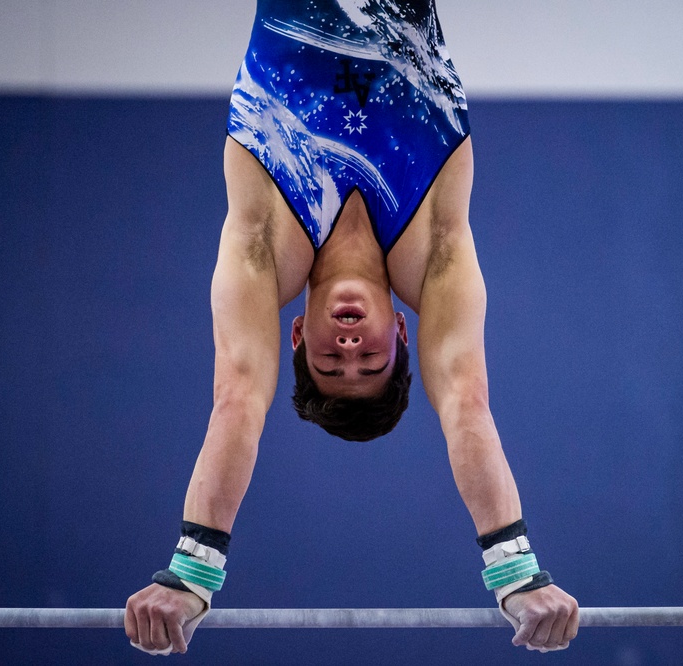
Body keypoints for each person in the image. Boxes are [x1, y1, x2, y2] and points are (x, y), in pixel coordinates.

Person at [125, 0, 578, 654]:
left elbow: (238, 399)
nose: (348, 350)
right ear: (402, 330)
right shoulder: (437, 250)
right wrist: (516, 571)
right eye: (371, 362)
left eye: (332, 365)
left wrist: (192, 573)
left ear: (297, 339)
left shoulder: (262, 247)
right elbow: (465, 403)